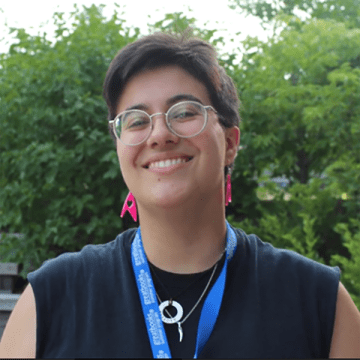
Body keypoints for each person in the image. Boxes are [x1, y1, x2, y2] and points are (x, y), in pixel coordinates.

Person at [1, 31, 360, 359]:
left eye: (184, 112)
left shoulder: (317, 302)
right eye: (137, 120)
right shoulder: (52, 299)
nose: (160, 134)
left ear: (231, 143)